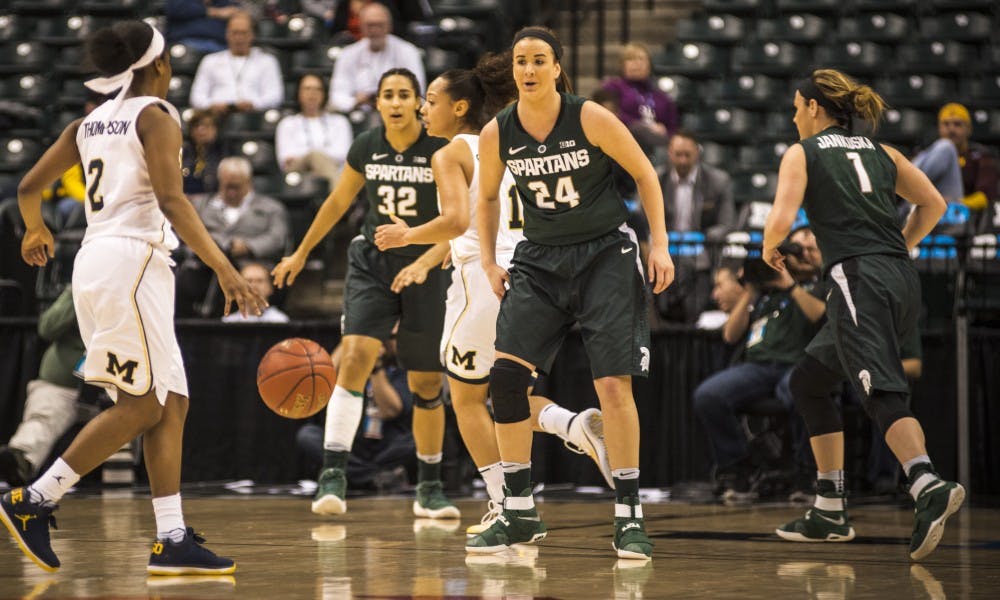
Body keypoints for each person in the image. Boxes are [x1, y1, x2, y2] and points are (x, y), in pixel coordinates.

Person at [1, 21, 266, 575]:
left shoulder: (87, 121)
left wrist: (35, 228)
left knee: (170, 401)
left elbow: (28, 187)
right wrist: (226, 269)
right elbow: (172, 199)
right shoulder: (156, 115)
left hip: (99, 261)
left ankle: (172, 538)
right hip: (132, 261)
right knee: (143, 404)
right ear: (159, 64)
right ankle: (33, 500)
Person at [372, 57, 616, 533]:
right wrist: (441, 250)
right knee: (507, 397)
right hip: (530, 276)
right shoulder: (506, 139)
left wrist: (409, 236)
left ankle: (507, 506)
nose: (424, 109)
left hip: (482, 281)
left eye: (431, 101)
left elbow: (457, 221)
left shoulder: (448, 154)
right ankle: (572, 426)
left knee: (465, 399)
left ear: (459, 106)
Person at [462, 26, 674, 560]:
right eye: (520, 62)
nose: (528, 70)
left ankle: (628, 516)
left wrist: (661, 246)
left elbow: (647, 175)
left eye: (538, 60)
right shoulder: (497, 133)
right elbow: (485, 199)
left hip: (605, 252)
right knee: (506, 381)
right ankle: (518, 513)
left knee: (612, 385)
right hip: (539, 258)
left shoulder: (590, 117)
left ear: (557, 67)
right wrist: (488, 260)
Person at [762, 69, 961, 561]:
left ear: (813, 108)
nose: (792, 117)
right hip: (899, 276)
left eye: (795, 107)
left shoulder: (802, 152)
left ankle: (926, 482)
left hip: (857, 277)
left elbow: (783, 217)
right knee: (809, 381)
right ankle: (829, 507)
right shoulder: (883, 151)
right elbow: (934, 203)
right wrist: (900, 247)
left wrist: (770, 245)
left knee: (880, 389)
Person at [272, 68, 457, 520]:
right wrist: (299, 253)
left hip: (425, 267)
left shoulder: (442, 150)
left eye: (404, 95)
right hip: (372, 262)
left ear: (418, 102)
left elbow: (460, 220)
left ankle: (429, 487)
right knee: (354, 355)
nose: (395, 102)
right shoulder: (365, 146)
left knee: (425, 383)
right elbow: (337, 204)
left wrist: (429, 258)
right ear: (376, 103)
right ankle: (332, 475)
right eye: (387, 95)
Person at [694, 227, 827, 505]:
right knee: (709, 395)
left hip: (801, 364)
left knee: (799, 392)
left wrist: (790, 285)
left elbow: (818, 315)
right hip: (759, 367)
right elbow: (730, 335)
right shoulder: (767, 288)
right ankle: (740, 468)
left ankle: (807, 472)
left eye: (809, 248)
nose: (801, 254)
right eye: (796, 248)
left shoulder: (822, 284)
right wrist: (752, 289)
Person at [297, 337, 415, 492]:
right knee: (308, 435)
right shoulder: (352, 364)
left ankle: (348, 474)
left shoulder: (402, 368)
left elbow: (390, 411)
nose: (384, 342)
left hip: (386, 445)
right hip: (351, 443)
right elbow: (323, 382)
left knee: (414, 440)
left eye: (390, 338)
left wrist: (375, 366)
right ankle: (375, 478)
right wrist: (351, 337)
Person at [176, 157, 289, 316]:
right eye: (227, 186)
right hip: (206, 262)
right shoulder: (201, 205)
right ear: (220, 181)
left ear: (248, 181)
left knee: (254, 277)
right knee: (186, 272)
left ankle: (255, 318)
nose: (231, 192)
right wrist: (209, 246)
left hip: (250, 260)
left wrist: (248, 246)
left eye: (236, 187)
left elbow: (277, 238)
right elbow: (185, 232)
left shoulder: (270, 208)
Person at [0, 286, 85, 487]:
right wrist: (79, 294)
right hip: (63, 382)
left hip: (122, 383)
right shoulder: (81, 283)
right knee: (43, 417)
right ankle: (18, 460)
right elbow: (47, 327)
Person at [327, 3, 425, 122]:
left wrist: (389, 98)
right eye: (370, 25)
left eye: (380, 25)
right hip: (358, 115)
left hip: (397, 114)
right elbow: (336, 96)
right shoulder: (348, 54)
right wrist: (356, 101)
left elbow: (417, 90)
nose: (375, 30)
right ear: (361, 26)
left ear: (389, 26)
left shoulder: (408, 51)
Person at [189, 11, 284, 115]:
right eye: (234, 33)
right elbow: (196, 97)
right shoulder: (210, 61)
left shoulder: (267, 61)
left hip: (253, 116)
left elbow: (275, 96)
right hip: (216, 117)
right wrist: (212, 105)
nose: (239, 38)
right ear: (227, 34)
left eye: (243, 33)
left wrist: (254, 104)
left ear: (252, 34)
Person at [599, 42, 678, 155]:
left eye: (641, 59)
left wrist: (665, 129)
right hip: (623, 142)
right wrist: (645, 126)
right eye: (631, 59)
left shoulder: (660, 95)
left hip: (657, 146)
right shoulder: (612, 87)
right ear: (622, 65)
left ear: (649, 65)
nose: (637, 64)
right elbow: (609, 115)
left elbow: (672, 126)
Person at [275, 74, 354, 183]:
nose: (312, 94)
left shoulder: (339, 122)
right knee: (314, 156)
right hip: (298, 171)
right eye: (307, 89)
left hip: (333, 169)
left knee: (317, 157)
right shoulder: (287, 124)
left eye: (318, 89)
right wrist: (313, 156)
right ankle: (343, 198)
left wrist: (315, 158)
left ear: (324, 94)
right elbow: (286, 160)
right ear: (298, 93)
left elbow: (342, 155)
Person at [661, 130, 735, 242]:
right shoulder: (657, 180)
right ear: (669, 153)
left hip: (703, 246)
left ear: (697, 152)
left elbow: (726, 223)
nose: (683, 161)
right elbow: (642, 219)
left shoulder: (719, 181)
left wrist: (705, 238)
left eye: (687, 154)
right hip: (665, 244)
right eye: (678, 154)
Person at [936, 102, 998, 215]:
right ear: (939, 128)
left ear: (968, 129)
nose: (951, 130)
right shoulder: (929, 154)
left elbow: (985, 197)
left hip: (965, 217)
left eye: (957, 124)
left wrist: (954, 204)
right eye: (946, 124)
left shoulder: (981, 156)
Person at [221, 262, 288, 323]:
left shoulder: (280, 321)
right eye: (249, 281)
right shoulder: (227, 322)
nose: (254, 286)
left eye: (260, 281)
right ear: (238, 288)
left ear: (270, 288)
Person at [181, 109, 227, 196]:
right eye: (196, 126)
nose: (201, 130)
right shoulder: (182, 152)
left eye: (206, 126)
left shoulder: (224, 152)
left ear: (215, 129)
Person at [165, 0, 238, 53]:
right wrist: (214, 12)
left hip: (220, 48)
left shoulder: (225, 3)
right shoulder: (180, 3)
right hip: (187, 45)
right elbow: (175, 9)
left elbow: (240, 18)